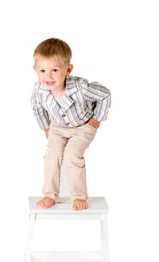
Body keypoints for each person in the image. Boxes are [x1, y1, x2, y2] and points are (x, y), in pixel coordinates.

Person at [31, 38, 111, 211]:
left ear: (68, 69)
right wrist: (46, 127)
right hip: (58, 127)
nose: (48, 76)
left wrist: (97, 119)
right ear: (35, 70)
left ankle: (79, 196)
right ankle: (49, 195)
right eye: (42, 71)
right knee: (52, 156)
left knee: (72, 155)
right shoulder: (39, 90)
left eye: (54, 70)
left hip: (83, 126)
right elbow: (37, 108)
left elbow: (105, 95)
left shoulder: (80, 87)